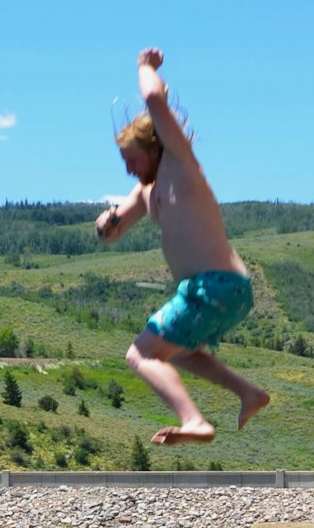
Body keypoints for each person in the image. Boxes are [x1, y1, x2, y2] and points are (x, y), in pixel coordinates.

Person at [95, 47, 270, 448]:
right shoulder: (147, 191)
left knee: (140, 355)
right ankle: (249, 393)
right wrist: (107, 223)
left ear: (154, 146)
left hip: (212, 286)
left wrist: (145, 67)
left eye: (131, 159)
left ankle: (194, 420)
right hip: (227, 292)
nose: (128, 169)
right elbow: (112, 231)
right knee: (180, 350)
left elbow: (154, 100)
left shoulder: (178, 161)